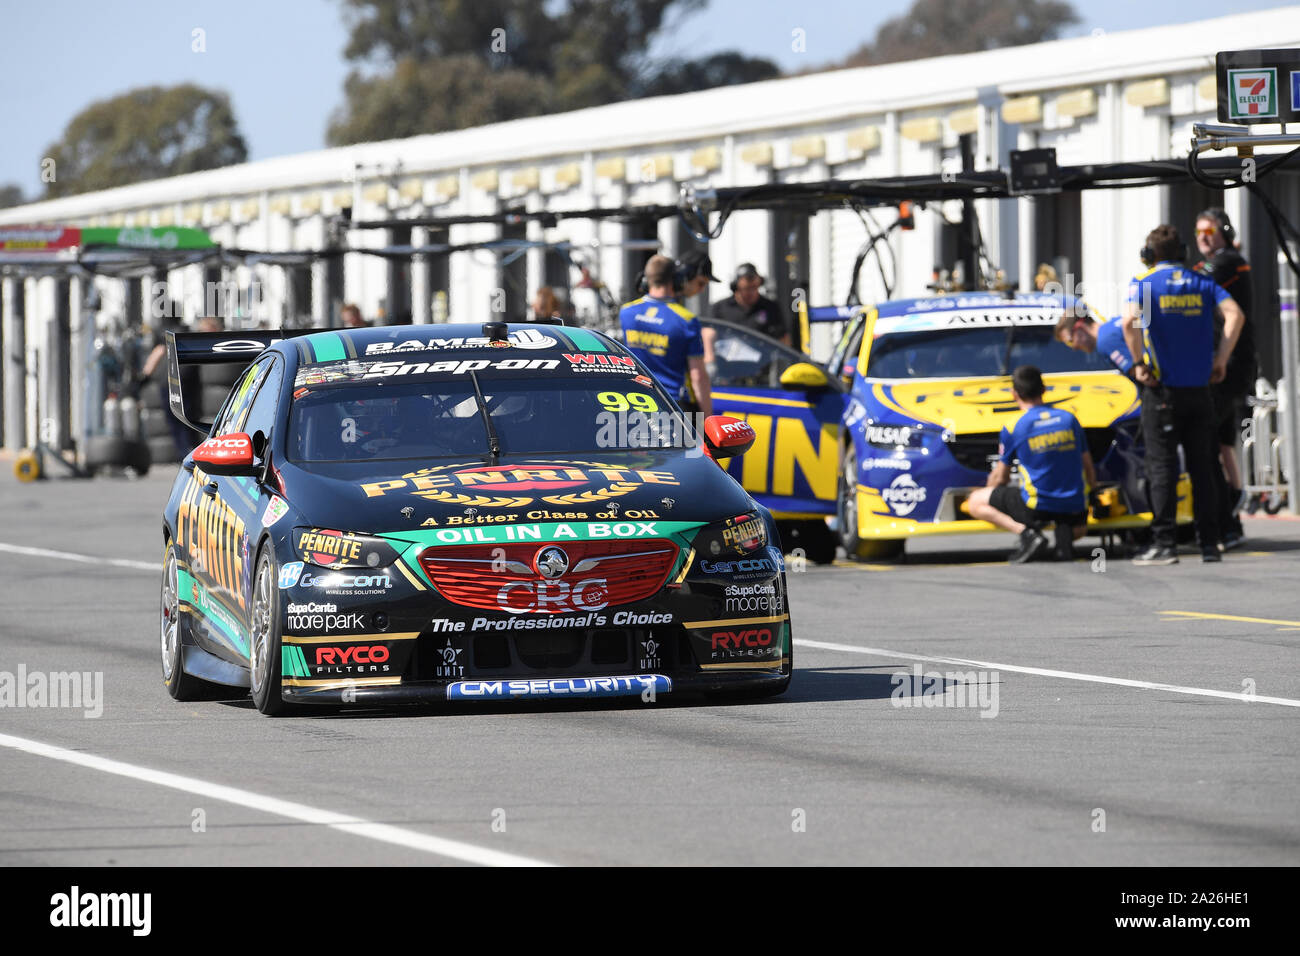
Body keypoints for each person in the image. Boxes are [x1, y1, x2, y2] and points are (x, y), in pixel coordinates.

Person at [1121, 224, 1245, 565]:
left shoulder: (1145, 285)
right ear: (1183, 254)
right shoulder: (1203, 283)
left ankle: (1164, 543)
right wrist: (1220, 359)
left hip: (1162, 391)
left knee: (1162, 469)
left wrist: (1136, 365)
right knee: (1202, 467)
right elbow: (1235, 314)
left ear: (1148, 256)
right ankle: (1209, 542)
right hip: (1200, 390)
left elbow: (1128, 323)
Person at [967, 365, 1095, 563]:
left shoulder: (1014, 425)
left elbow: (1002, 477)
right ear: (1044, 390)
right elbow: (1088, 465)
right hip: (1075, 505)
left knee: (975, 501)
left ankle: (1028, 534)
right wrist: (1092, 493)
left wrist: (989, 491)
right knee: (1075, 523)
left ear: (1014, 394)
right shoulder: (1069, 419)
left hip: (1037, 505)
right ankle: (1065, 534)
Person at [1193, 208, 1256, 550]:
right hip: (1225, 365)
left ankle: (1225, 519)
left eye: (1209, 229)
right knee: (1221, 441)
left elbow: (1192, 280)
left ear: (1224, 232)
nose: (1202, 235)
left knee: (1206, 441)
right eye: (1198, 229)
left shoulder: (1226, 261)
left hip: (1227, 366)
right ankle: (1233, 510)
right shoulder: (1227, 258)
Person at [619, 254, 712, 416]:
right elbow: (698, 376)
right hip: (675, 404)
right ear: (676, 279)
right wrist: (709, 418)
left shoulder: (626, 312)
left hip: (638, 401)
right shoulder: (686, 320)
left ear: (645, 279)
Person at [710, 263, 792, 345]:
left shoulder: (771, 307)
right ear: (736, 287)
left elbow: (783, 338)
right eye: (747, 289)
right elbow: (709, 336)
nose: (752, 292)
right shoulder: (720, 308)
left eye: (755, 287)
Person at [1055, 307, 1135, 375]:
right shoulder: (1113, 326)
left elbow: (1143, 376)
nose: (1074, 347)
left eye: (1070, 341)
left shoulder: (1104, 342)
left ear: (1080, 327)